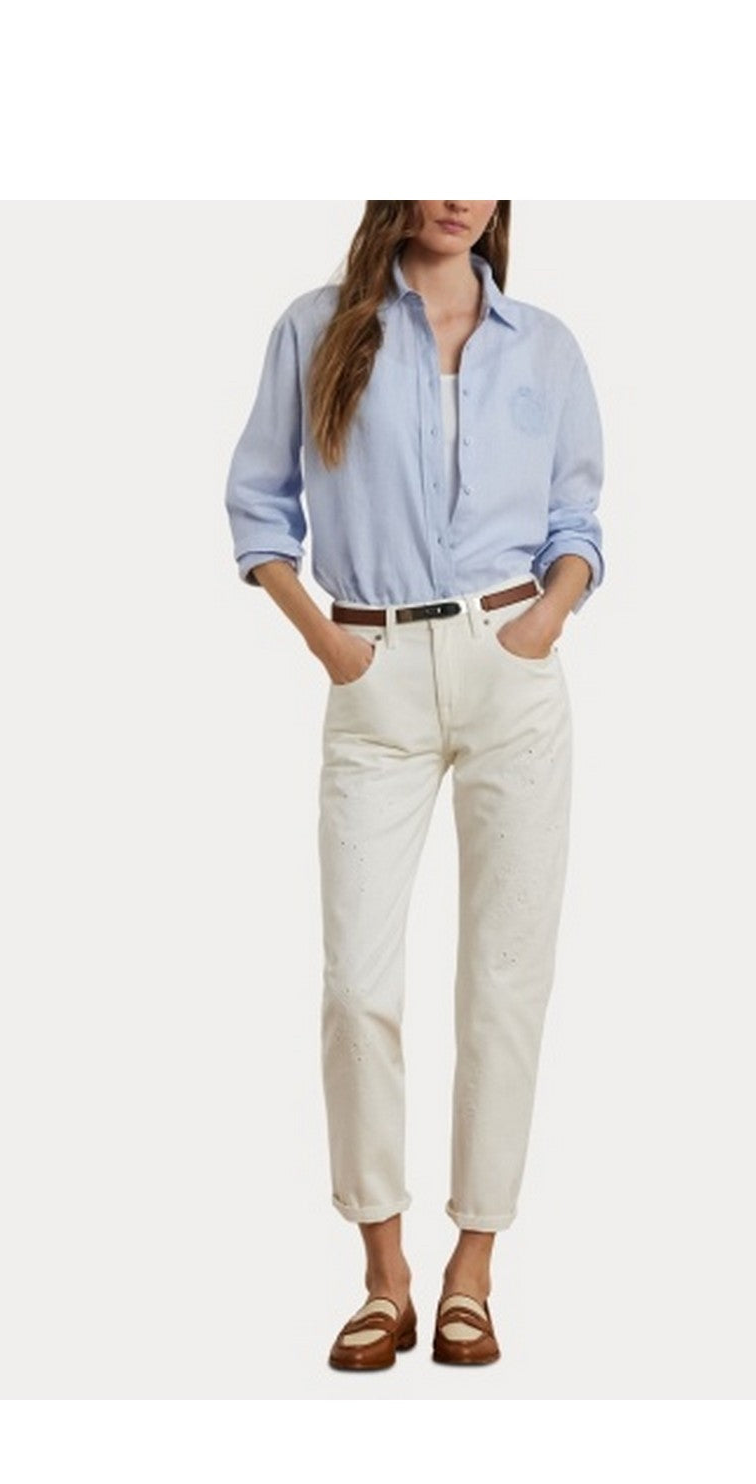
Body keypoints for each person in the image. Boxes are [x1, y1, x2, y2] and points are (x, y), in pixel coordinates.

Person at [224, 201, 605, 1369]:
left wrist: (545, 619)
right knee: (359, 985)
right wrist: (329, 644)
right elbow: (258, 506)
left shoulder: (544, 346)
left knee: (505, 981)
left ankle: (473, 1270)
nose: (457, 194)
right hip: (373, 670)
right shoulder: (319, 329)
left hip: (511, 670)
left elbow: (578, 519)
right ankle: (382, 1273)